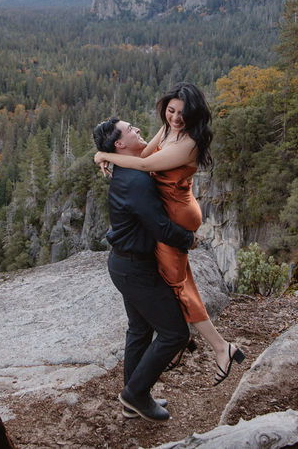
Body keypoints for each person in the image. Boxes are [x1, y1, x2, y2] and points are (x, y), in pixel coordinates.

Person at [94, 82, 245, 386]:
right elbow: (144, 157)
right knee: (170, 280)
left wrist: (104, 156)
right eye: (171, 110)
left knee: (178, 283)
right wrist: (110, 158)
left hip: (177, 213)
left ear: (195, 114)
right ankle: (178, 346)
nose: (175, 117)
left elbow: (147, 164)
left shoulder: (188, 142)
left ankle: (220, 348)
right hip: (176, 205)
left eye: (182, 113)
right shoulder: (168, 130)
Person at [93, 116, 196, 423]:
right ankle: (134, 394)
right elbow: (161, 228)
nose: (138, 129)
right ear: (120, 144)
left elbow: (164, 135)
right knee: (175, 333)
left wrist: (102, 155)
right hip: (135, 269)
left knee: (140, 329)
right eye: (130, 129)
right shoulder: (135, 180)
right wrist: (188, 238)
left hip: (125, 264)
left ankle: (132, 399)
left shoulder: (129, 169)